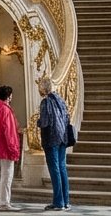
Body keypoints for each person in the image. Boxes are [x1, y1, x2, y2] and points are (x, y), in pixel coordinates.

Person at [36, 75, 70, 211]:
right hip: (63, 138)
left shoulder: (45, 102)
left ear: (43, 89)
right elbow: (67, 117)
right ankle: (66, 201)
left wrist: (37, 122)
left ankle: (58, 202)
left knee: (54, 170)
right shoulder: (60, 100)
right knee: (62, 168)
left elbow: (44, 122)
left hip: (51, 139)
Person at [0, 85, 21, 212]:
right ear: (9, 96)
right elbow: (9, 132)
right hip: (5, 147)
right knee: (7, 175)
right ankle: (4, 202)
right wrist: (13, 149)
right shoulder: (6, 110)